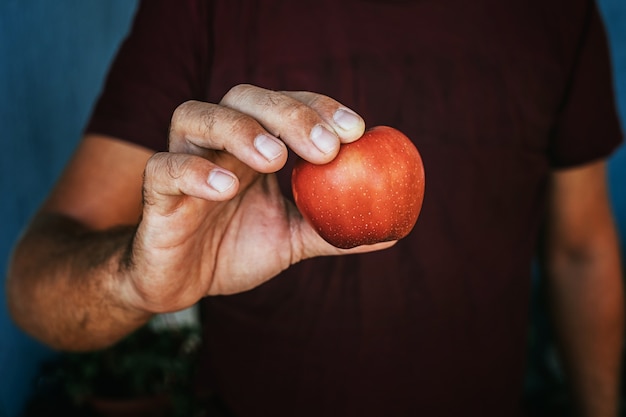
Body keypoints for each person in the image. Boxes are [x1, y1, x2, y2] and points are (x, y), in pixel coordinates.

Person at [6, 0, 625, 416]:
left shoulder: (556, 13)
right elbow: (33, 288)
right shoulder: (200, 9)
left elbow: (580, 250)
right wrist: (137, 282)